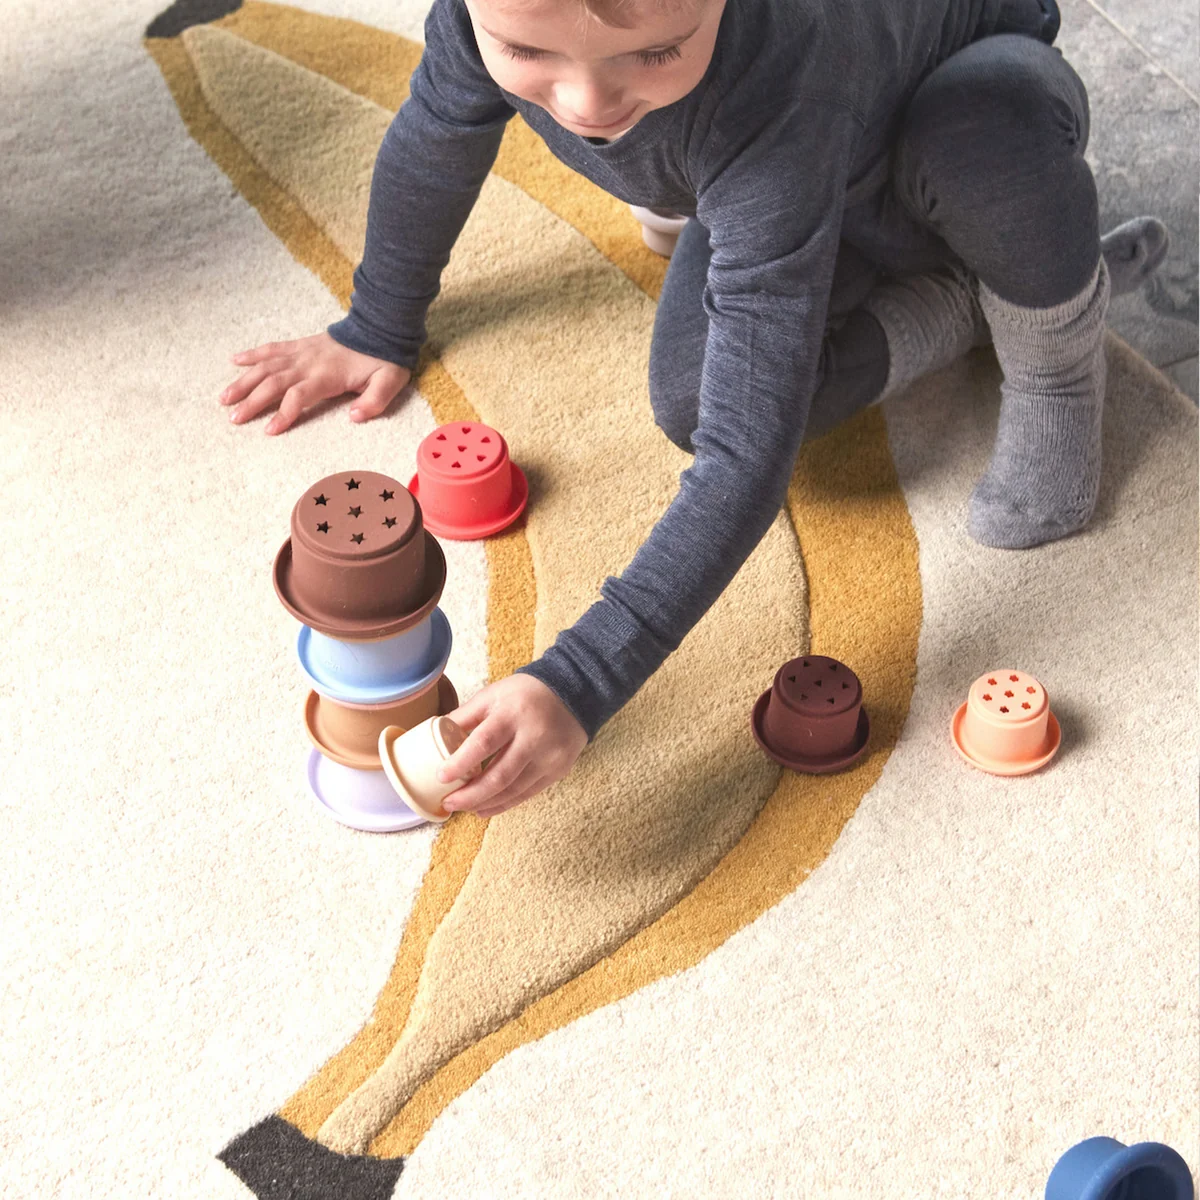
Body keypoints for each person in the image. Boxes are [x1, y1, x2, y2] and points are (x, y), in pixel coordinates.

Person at [218, 0, 1169, 818]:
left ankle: (1052, 345)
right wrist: (378, 324)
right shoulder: (485, 17)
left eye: (654, 51)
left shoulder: (780, 77)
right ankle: (964, 301)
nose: (587, 104)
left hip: (963, 114)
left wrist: (580, 682)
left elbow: (745, 460)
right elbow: (437, 134)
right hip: (802, 179)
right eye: (529, 53)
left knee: (983, 134)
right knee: (691, 395)